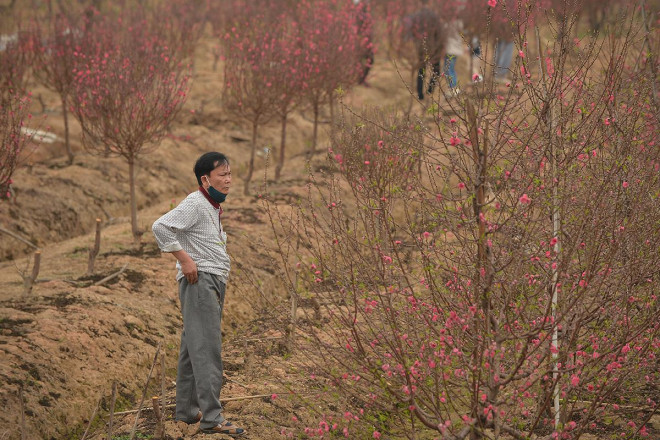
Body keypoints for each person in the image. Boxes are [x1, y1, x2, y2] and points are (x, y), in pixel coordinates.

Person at [152, 152, 245, 437]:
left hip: (210, 280)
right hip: (200, 280)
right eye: (222, 175)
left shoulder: (212, 205)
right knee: (206, 348)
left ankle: (188, 410)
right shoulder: (195, 201)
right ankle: (212, 418)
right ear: (205, 179)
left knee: (193, 347)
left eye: (229, 174)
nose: (228, 180)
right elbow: (160, 226)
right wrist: (184, 259)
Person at [404, 0, 443, 100]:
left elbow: (410, 32)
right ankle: (430, 90)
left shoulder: (415, 16)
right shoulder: (434, 16)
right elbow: (439, 33)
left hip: (421, 47)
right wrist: (440, 47)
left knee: (421, 70)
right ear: (429, 3)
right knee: (436, 70)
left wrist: (415, 43)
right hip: (433, 47)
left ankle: (420, 94)